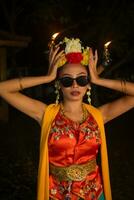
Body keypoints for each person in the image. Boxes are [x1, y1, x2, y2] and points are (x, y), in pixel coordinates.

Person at [0, 37, 134, 200]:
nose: (75, 85)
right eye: (67, 80)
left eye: (82, 79)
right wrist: (47, 77)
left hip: (94, 193)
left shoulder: (99, 115)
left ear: (88, 84)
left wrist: (99, 80)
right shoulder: (45, 114)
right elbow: (3, 89)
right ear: (58, 85)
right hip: (57, 194)